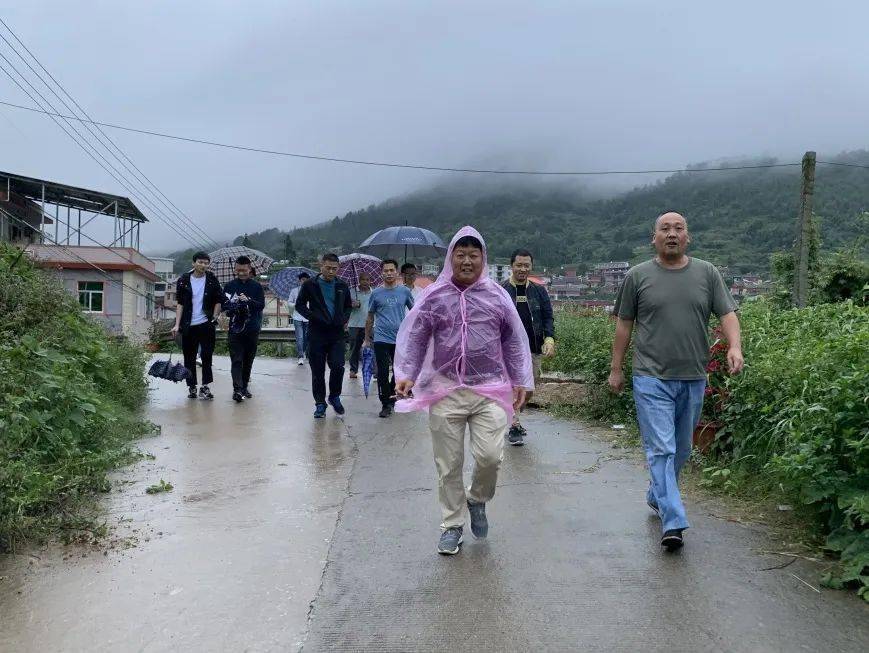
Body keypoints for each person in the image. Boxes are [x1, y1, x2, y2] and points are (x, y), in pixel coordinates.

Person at [608, 211, 743, 552]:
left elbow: (727, 314)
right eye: (664, 229)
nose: (671, 234)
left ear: (688, 237)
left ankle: (657, 494)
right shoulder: (638, 276)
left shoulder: (706, 273)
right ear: (653, 238)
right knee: (662, 448)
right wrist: (616, 368)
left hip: (693, 377)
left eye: (678, 228)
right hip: (651, 377)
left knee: (682, 448)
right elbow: (624, 325)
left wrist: (735, 347)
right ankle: (673, 520)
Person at [393, 227, 533, 555]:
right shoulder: (435, 296)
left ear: (483, 259)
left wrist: (521, 379)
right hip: (444, 390)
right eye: (461, 254)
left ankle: (477, 499)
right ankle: (452, 525)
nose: (467, 261)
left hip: (489, 388)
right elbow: (415, 338)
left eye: (474, 255)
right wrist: (407, 374)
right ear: (451, 258)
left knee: (490, 457)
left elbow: (513, 340)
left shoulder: (497, 296)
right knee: (448, 462)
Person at [501, 248, 555, 446]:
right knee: (514, 387)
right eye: (518, 265)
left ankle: (512, 415)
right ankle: (513, 424)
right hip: (508, 349)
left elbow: (548, 316)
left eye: (526, 265)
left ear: (531, 266)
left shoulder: (539, 290)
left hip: (533, 346)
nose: (522, 269)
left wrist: (549, 339)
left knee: (530, 388)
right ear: (511, 266)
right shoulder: (502, 290)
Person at [294, 253, 353, 418]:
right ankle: (320, 403)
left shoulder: (342, 285)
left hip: (336, 334)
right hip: (316, 333)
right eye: (328, 268)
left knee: (338, 366)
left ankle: (334, 396)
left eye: (335, 268)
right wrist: (312, 316)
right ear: (321, 266)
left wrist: (343, 318)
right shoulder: (310, 285)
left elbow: (348, 306)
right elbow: (299, 305)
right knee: (318, 371)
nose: (331, 271)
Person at [363, 260, 414, 418]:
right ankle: (385, 404)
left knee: (399, 373)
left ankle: (392, 395)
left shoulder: (404, 292)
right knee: (383, 373)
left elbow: (415, 312)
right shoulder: (376, 293)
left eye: (392, 270)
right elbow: (370, 317)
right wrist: (366, 339)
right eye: (386, 270)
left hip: (400, 339)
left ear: (397, 272)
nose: (389, 273)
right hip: (381, 339)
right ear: (381, 273)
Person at [171, 251, 222, 400]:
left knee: (207, 356)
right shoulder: (184, 280)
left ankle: (205, 387)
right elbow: (180, 303)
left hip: (206, 323)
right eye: (200, 262)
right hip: (188, 325)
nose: (203, 265)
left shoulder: (212, 279)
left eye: (206, 263)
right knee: (189, 357)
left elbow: (218, 299)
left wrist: (215, 317)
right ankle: (192, 386)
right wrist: (177, 324)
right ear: (193, 263)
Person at [222, 256, 265, 402]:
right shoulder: (229, 286)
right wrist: (233, 304)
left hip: (252, 328)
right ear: (235, 269)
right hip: (235, 329)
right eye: (238, 270)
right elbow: (224, 307)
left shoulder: (257, 286)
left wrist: (248, 301)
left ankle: (244, 386)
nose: (241, 273)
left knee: (248, 360)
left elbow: (260, 306)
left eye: (244, 270)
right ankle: (237, 389)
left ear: (249, 269)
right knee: (237, 360)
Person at [347, 273, 372, 379]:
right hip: (354, 324)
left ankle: (374, 371)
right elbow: (344, 305)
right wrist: (351, 304)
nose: (365, 282)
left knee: (371, 348)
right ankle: (353, 370)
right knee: (354, 348)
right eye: (363, 280)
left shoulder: (374, 292)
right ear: (359, 280)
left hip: (370, 324)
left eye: (367, 280)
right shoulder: (352, 292)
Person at [287, 272, 310, 365]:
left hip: (308, 318)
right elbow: (289, 302)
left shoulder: (311, 291)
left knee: (306, 338)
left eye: (306, 280)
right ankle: (300, 356)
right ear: (299, 281)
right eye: (302, 280)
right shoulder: (294, 291)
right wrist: (295, 305)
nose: (304, 281)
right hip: (297, 317)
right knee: (299, 337)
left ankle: (303, 352)